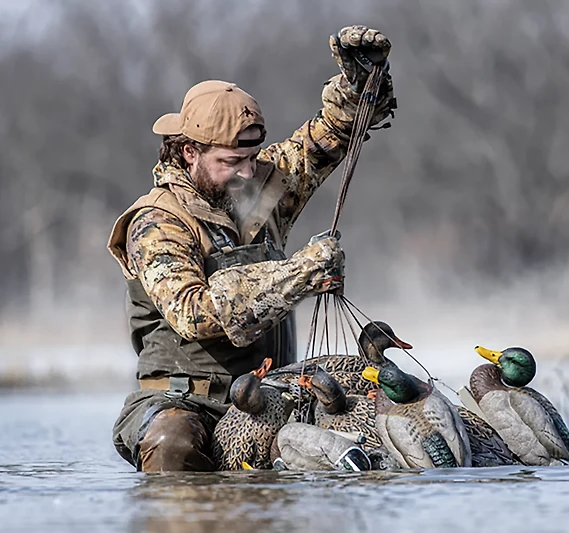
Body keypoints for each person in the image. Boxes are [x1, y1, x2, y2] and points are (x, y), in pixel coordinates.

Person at [106, 25, 395, 472]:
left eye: (251, 158)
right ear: (189, 153)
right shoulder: (156, 221)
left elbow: (330, 138)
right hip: (184, 402)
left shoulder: (259, 182)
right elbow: (193, 312)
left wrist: (360, 84)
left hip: (274, 395)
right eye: (230, 162)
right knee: (171, 443)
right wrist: (296, 273)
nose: (246, 174)